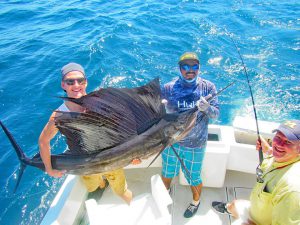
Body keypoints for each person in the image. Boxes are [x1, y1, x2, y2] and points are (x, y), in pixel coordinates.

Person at [39, 62, 139, 204]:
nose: (76, 85)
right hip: (85, 165)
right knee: (93, 187)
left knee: (121, 191)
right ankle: (102, 185)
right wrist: (49, 169)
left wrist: (132, 154)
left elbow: (121, 129)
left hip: (111, 159)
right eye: (70, 81)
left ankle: (132, 208)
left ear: (86, 82)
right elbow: (43, 141)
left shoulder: (101, 103)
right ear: (63, 85)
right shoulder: (58, 116)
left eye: (80, 80)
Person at [161, 52, 220, 218]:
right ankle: (164, 195)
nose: (190, 70)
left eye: (194, 66)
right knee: (167, 172)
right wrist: (161, 108)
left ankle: (196, 202)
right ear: (179, 69)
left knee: (193, 177)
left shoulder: (208, 87)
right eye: (185, 66)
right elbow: (155, 112)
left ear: (199, 67)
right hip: (171, 141)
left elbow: (216, 114)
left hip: (195, 145)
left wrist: (207, 108)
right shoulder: (167, 88)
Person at [212, 120, 300, 225]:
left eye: (288, 142)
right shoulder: (283, 157)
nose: (280, 144)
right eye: (278, 137)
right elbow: (276, 153)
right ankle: (228, 208)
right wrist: (268, 150)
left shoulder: (292, 188)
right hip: (254, 209)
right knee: (234, 205)